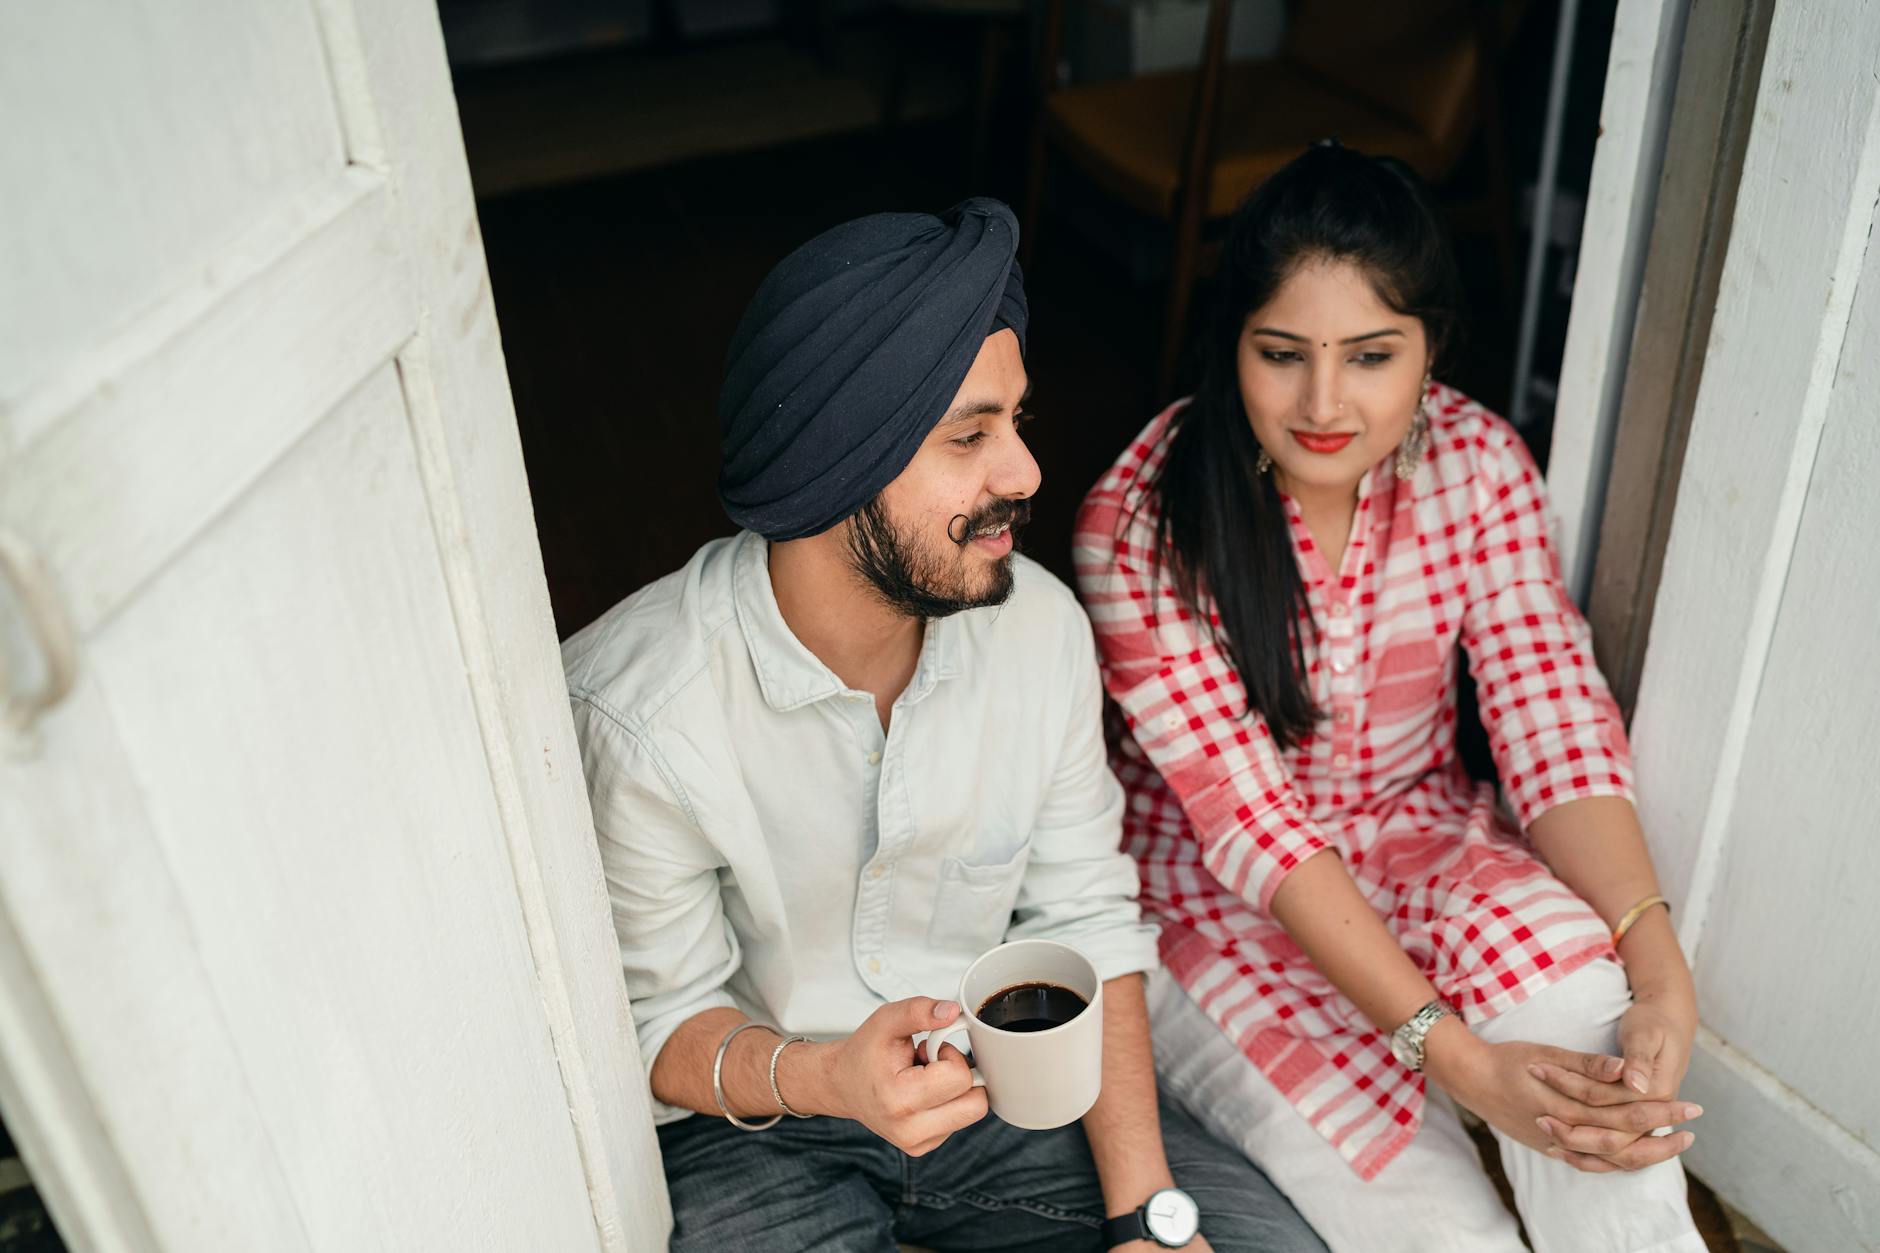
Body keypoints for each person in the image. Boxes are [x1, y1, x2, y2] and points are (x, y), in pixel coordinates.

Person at [563, 198, 1323, 1252]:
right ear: (834, 464)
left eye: (1016, 422)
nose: (1023, 473)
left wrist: (1145, 1215)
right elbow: (659, 1021)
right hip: (761, 1126)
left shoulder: (1038, 629)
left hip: (995, 1089)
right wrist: (828, 1074)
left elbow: (1087, 917)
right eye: (969, 434)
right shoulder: (640, 710)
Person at [1073, 143, 1706, 1253]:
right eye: (1281, 354)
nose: (1323, 402)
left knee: (1597, 1063)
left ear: (1431, 351)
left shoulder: (1477, 462)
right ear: (1231, 345)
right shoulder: (1138, 520)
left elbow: (1548, 717)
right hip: (1212, 908)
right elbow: (1251, 828)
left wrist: (1657, 974)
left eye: (1370, 355)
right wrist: (1458, 1058)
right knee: (1438, 1232)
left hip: (1422, 839)